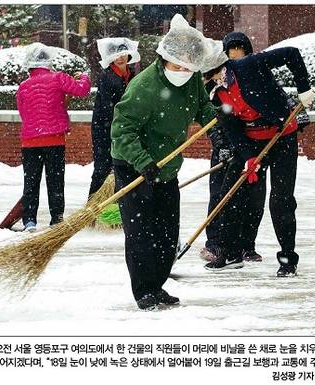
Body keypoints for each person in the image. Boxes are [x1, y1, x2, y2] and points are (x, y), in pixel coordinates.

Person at [110, 14, 222, 310]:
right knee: (141, 234)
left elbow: (202, 107)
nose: (182, 71)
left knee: (166, 232)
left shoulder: (192, 79)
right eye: (177, 65)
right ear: (163, 58)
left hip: (167, 168)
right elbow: (122, 130)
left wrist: (217, 125)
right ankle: (143, 291)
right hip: (135, 167)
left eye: (188, 66)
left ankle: (157, 286)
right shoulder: (143, 87)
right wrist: (142, 161)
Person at [201, 32, 315, 277]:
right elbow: (231, 127)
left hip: (281, 136)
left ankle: (287, 259)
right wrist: (249, 157)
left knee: (280, 200)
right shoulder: (215, 92)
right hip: (252, 142)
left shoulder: (248, 65)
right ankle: (231, 252)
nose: (205, 81)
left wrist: (303, 88)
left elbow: (291, 54)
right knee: (230, 192)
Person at [200, 32, 266, 263]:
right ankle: (216, 244)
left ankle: (246, 245)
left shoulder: (256, 75)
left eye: (242, 57)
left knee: (253, 199)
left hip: (253, 147)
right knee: (221, 196)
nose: (238, 64)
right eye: (233, 59)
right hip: (226, 150)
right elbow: (212, 119)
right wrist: (221, 144)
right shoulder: (214, 85)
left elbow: (275, 97)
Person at [16, 42, 91, 232]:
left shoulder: (23, 86)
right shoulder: (58, 79)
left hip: (30, 142)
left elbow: (23, 112)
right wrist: (83, 77)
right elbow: (82, 89)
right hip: (54, 140)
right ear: (48, 62)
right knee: (55, 181)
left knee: (31, 182)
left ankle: (29, 220)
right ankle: (56, 218)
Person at [88, 37, 140, 197]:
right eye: (116, 55)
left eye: (123, 54)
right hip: (105, 129)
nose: (120, 58)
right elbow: (107, 106)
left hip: (125, 130)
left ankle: (118, 211)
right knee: (102, 169)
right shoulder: (106, 77)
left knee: (123, 169)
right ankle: (93, 208)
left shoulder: (132, 76)